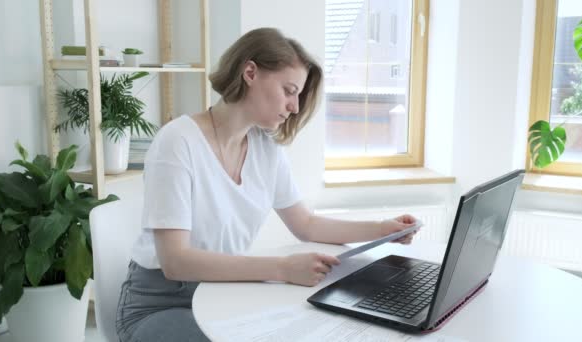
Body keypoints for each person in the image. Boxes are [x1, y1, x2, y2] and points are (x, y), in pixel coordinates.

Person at [116, 27, 419, 342]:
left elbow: (307, 224)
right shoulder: (178, 142)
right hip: (159, 305)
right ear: (250, 72)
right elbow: (176, 262)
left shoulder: (265, 149)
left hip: (221, 298)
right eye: (289, 90)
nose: (295, 107)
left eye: (298, 95)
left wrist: (382, 229)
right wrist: (283, 269)